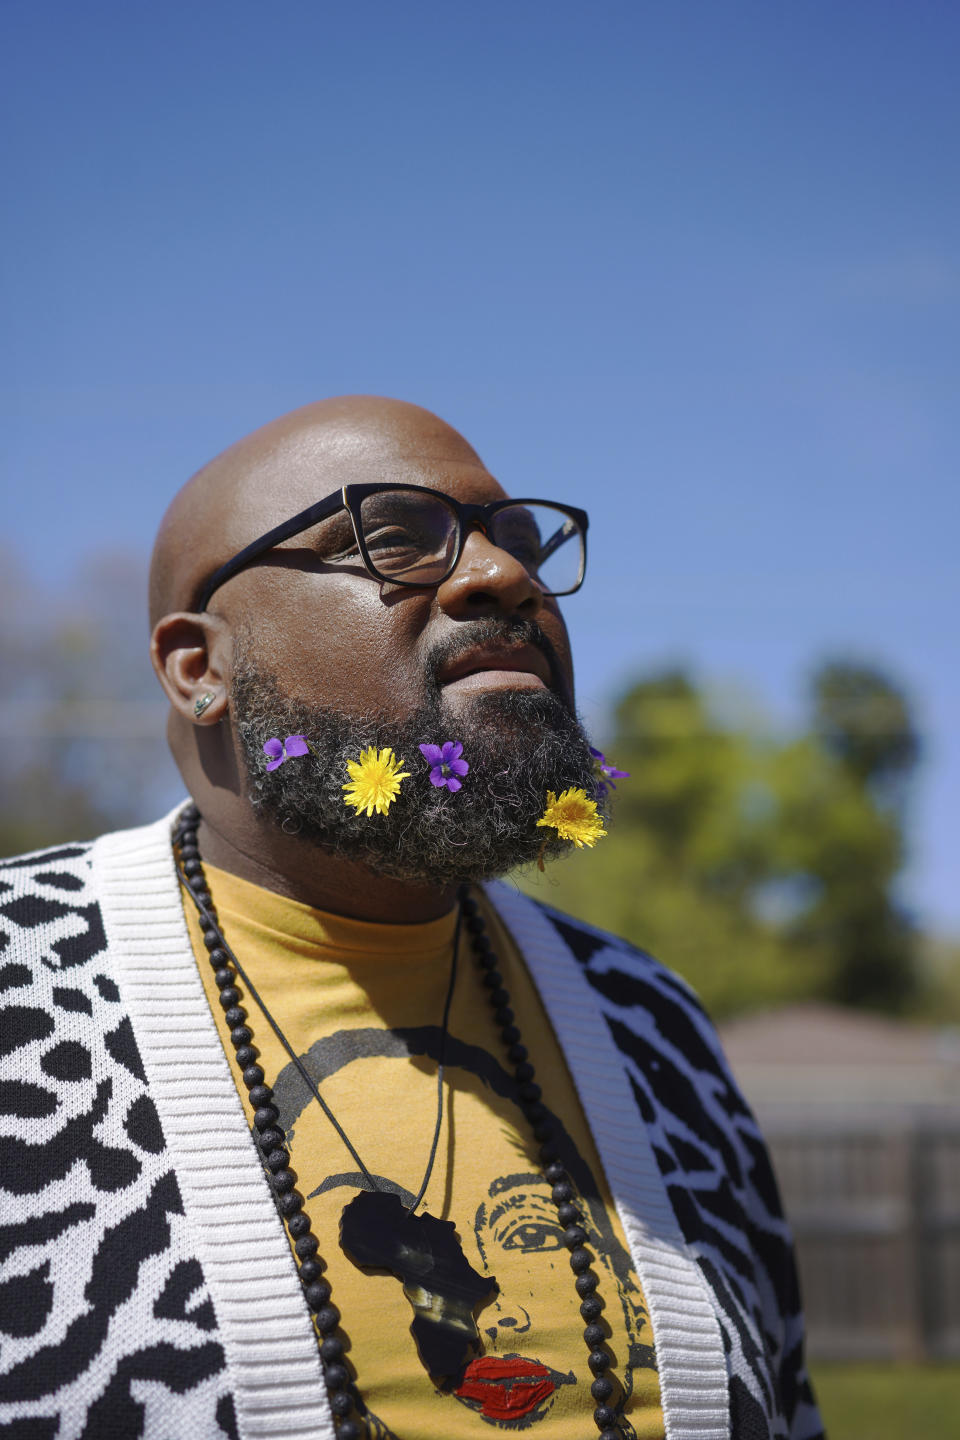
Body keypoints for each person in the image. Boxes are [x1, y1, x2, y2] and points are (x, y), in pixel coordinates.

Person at [0, 397, 823, 1440]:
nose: (502, 575)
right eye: (394, 535)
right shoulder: (23, 989)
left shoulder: (651, 1025)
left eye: (518, 538)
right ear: (197, 667)